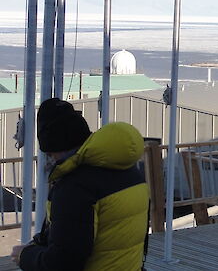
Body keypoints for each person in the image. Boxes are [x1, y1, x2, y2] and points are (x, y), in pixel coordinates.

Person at [12, 98, 149, 270]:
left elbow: (64, 262)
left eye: (49, 155)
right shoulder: (129, 170)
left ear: (53, 148)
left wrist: (25, 256)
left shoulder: (76, 187)